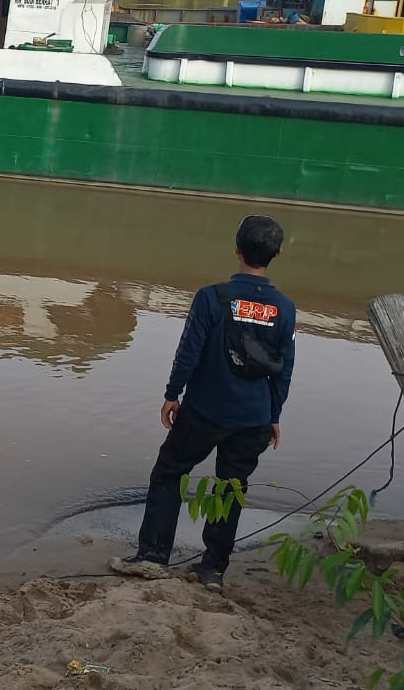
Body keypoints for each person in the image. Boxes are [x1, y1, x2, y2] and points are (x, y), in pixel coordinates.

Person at [109, 215, 297, 592]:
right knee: (231, 486)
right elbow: (284, 369)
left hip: (206, 411)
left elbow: (189, 352)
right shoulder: (284, 308)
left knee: (169, 472)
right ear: (276, 254)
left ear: (237, 249)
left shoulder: (212, 297)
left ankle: (152, 557)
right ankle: (213, 569)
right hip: (253, 418)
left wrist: (171, 394)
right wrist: (273, 415)